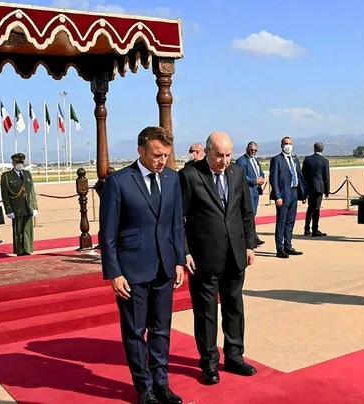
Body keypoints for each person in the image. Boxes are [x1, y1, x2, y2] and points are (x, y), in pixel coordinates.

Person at [100, 126, 186, 404]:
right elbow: (107, 233)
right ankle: (144, 387)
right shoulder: (119, 182)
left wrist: (179, 260)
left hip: (165, 267)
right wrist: (114, 272)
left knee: (161, 328)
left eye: (166, 155)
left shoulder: (172, 179)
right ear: (141, 150)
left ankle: (162, 382)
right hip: (132, 270)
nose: (162, 161)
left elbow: (176, 225)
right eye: (156, 155)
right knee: (135, 332)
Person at [179, 132, 258, 385]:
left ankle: (234, 356)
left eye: (228, 155)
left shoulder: (237, 173)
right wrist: (184, 251)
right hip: (204, 257)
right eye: (219, 156)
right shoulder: (190, 176)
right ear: (207, 152)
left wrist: (250, 244)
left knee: (234, 307)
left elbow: (246, 212)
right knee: (206, 312)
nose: (224, 161)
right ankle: (209, 363)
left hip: (235, 254)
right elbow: (178, 219)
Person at [269, 136, 306, 258]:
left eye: (290, 143)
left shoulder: (295, 160)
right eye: (286, 143)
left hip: (294, 193)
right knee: (281, 222)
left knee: (290, 221)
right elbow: (273, 179)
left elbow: (299, 177)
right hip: (283, 194)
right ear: (281, 145)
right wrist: (277, 196)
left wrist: (303, 194)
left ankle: (288, 245)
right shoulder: (277, 160)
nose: (288, 146)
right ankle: (279, 248)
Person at [0, 153, 38, 256]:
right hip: (16, 208)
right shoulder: (6, 176)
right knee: (18, 231)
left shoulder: (27, 174)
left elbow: (32, 191)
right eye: (17, 162)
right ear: (13, 163)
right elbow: (5, 194)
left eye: (21, 162)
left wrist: (35, 206)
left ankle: (27, 249)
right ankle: (19, 251)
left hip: (28, 206)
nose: (20, 164)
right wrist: (9, 210)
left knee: (28, 230)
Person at [235, 141, 265, 246]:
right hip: (248, 191)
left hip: (256, 191)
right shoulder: (241, 161)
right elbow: (242, 176)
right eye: (251, 150)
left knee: (253, 214)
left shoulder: (255, 161)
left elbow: (260, 172)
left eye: (255, 150)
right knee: (249, 215)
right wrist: (254, 181)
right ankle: (250, 238)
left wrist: (261, 178)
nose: (253, 152)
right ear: (247, 149)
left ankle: (253, 236)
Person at [301, 142, 330, 237]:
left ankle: (306, 228)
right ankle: (315, 229)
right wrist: (327, 190)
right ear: (322, 149)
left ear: (314, 148)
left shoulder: (307, 159)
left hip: (309, 187)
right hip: (319, 188)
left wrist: (304, 187)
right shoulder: (324, 161)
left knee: (310, 208)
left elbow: (303, 174)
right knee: (316, 208)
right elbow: (326, 177)